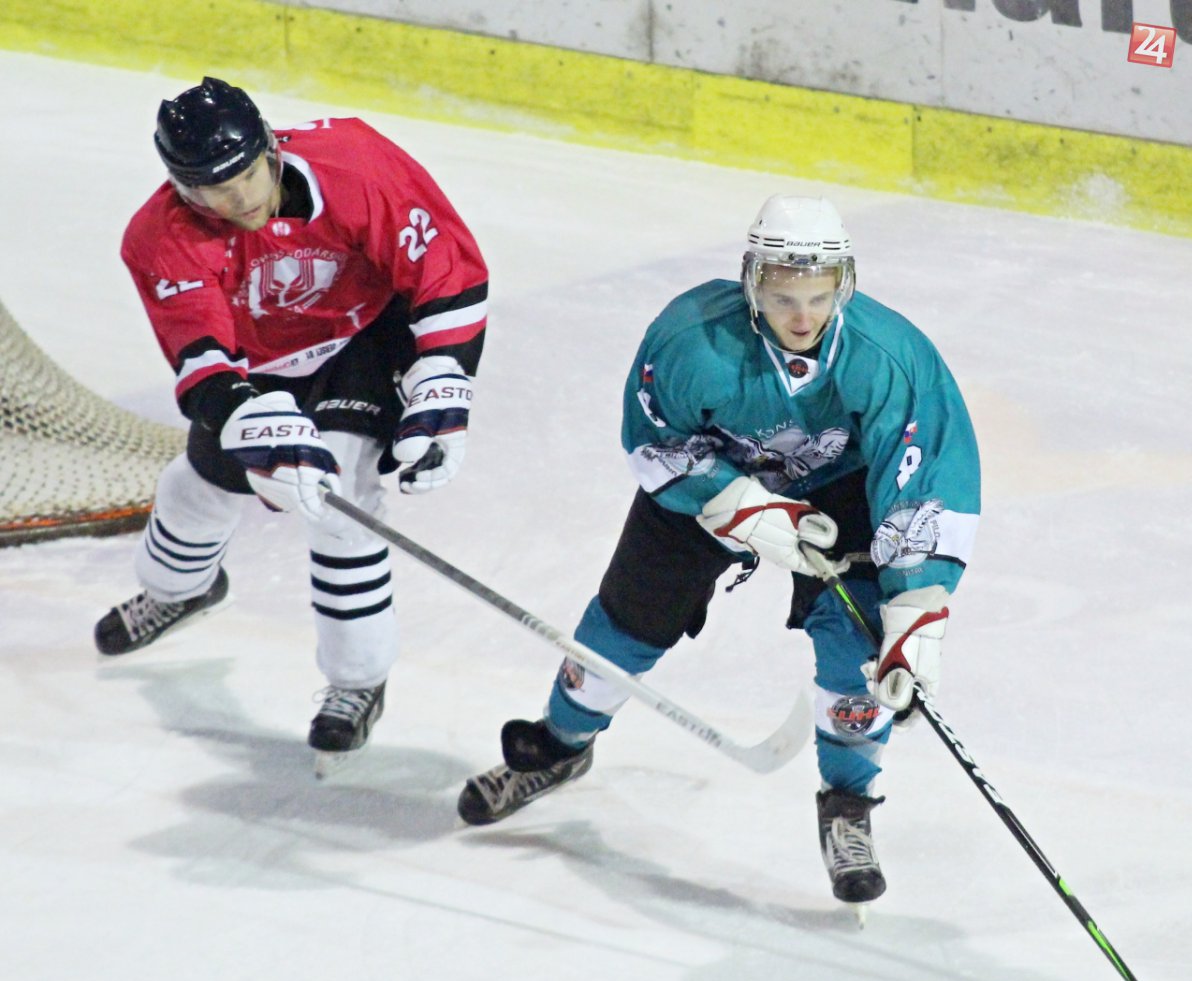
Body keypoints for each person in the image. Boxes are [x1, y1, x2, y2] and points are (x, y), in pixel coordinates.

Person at [457, 195, 979, 912]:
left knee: (858, 643)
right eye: (784, 297)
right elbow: (654, 437)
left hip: (843, 491)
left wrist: (915, 609)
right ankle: (558, 745)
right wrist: (739, 505)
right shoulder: (691, 339)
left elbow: (923, 481)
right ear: (752, 283)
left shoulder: (889, 357)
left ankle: (849, 804)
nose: (803, 317)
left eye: (819, 297)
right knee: (627, 621)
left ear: (845, 283)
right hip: (713, 481)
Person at [95, 77, 488, 767]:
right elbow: (203, 360)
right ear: (182, 189)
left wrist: (442, 377)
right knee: (199, 490)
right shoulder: (159, 238)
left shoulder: (356, 163)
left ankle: (357, 681)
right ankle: (178, 592)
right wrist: (251, 422)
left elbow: (444, 269)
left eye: (247, 175)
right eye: (215, 190)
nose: (240, 198)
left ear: (270, 149)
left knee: (342, 503)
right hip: (259, 364)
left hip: (361, 338)